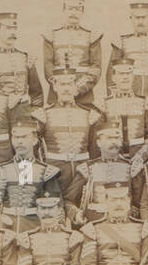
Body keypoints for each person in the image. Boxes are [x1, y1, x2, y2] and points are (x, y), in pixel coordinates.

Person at [0, 119, 66, 234]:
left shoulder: (46, 171)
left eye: (24, 137)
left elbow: (57, 208)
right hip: (5, 228)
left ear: (34, 140)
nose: (19, 142)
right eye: (16, 137)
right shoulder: (0, 170)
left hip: (34, 229)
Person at [32, 68, 103, 198]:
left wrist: (90, 170)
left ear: (76, 87)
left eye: (69, 84)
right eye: (61, 84)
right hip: (54, 172)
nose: (66, 89)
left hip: (82, 173)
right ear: (54, 87)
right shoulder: (43, 115)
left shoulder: (90, 115)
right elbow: (33, 148)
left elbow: (95, 151)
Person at [43, 0, 101, 109]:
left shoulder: (92, 37)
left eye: (78, 9)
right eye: (70, 9)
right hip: (57, 95)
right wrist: (62, 88)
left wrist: (78, 88)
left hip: (84, 96)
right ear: (64, 10)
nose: (73, 13)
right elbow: (48, 65)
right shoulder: (51, 36)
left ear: (82, 12)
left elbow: (96, 67)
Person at [108, 1, 148, 101]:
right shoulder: (121, 42)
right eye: (137, 18)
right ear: (131, 19)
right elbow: (112, 74)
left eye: (144, 17)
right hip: (129, 98)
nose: (140, 21)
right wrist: (114, 100)